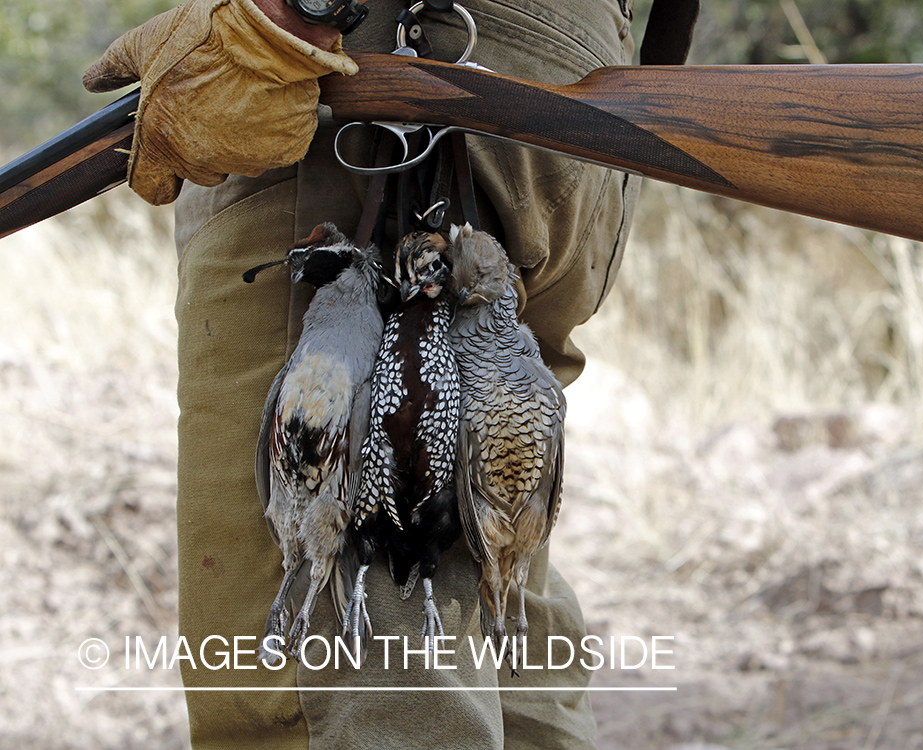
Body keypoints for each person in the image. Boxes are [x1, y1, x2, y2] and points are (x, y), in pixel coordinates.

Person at [84, 0, 694, 747]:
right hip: (562, 86)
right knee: (492, 604)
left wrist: (290, 16)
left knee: (330, 672)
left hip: (378, 76)